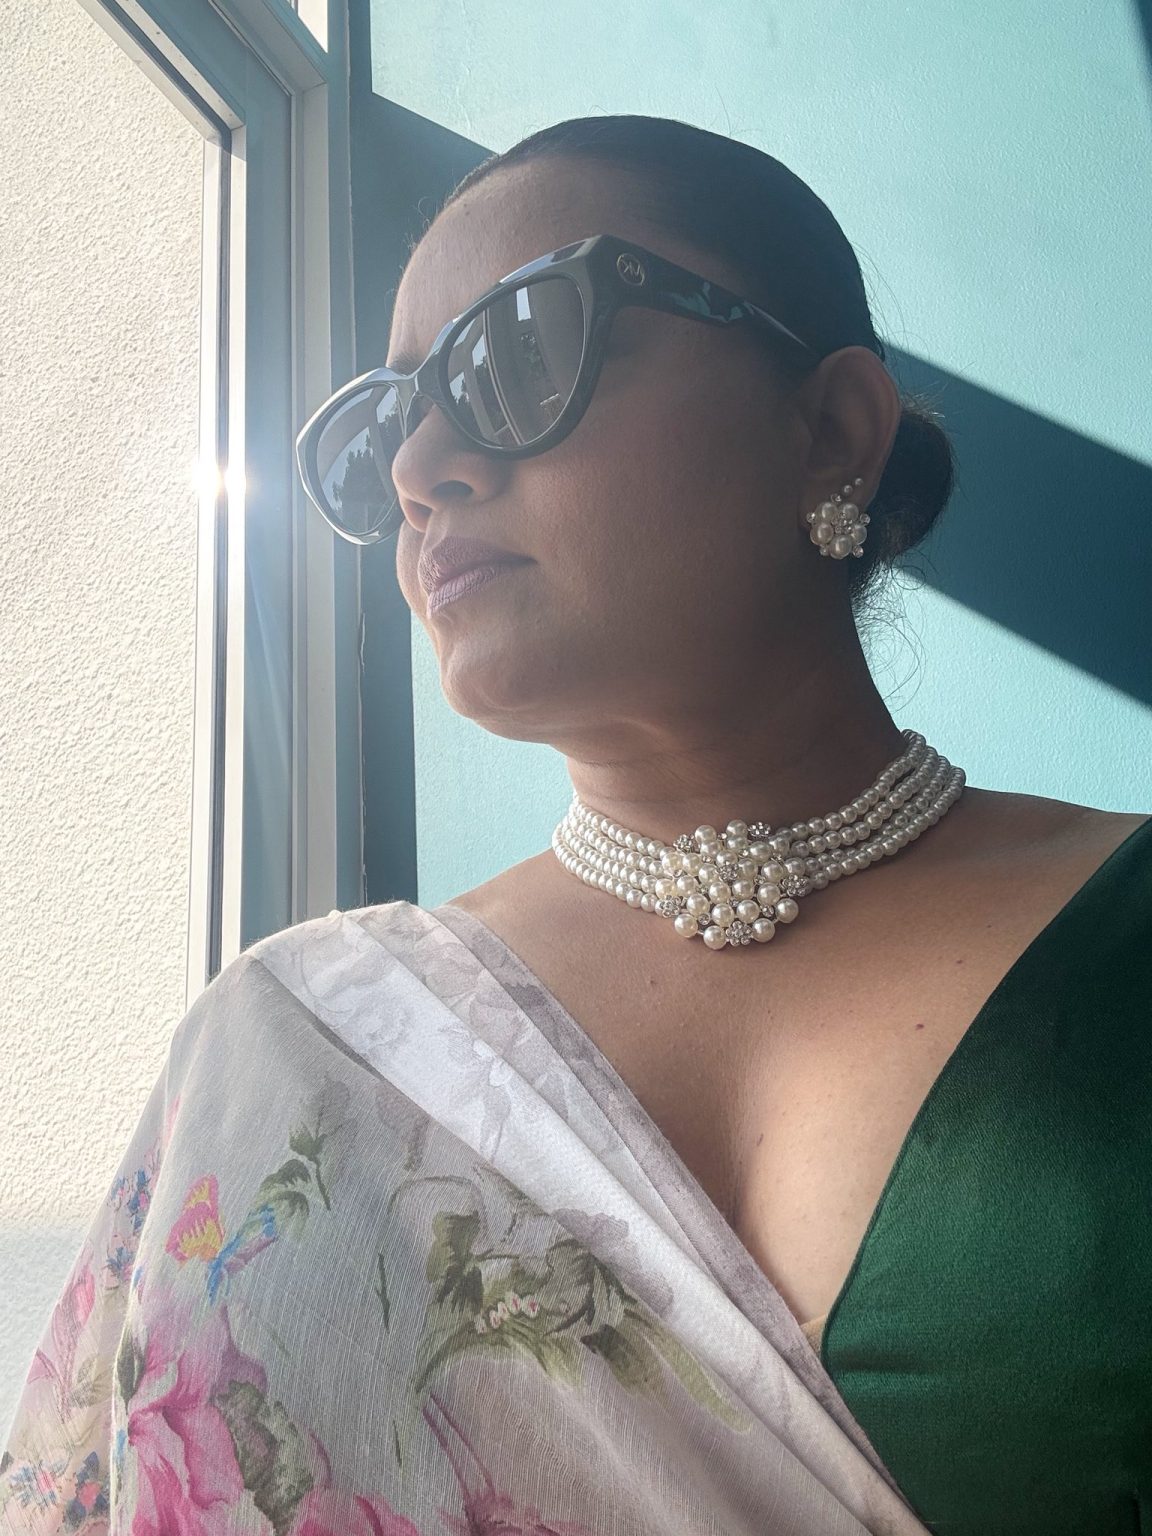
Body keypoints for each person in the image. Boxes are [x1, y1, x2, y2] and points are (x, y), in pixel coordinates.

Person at [4, 114, 1150, 1536]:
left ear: (830, 431)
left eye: (518, 351)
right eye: (387, 421)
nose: (421, 465)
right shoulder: (292, 1049)